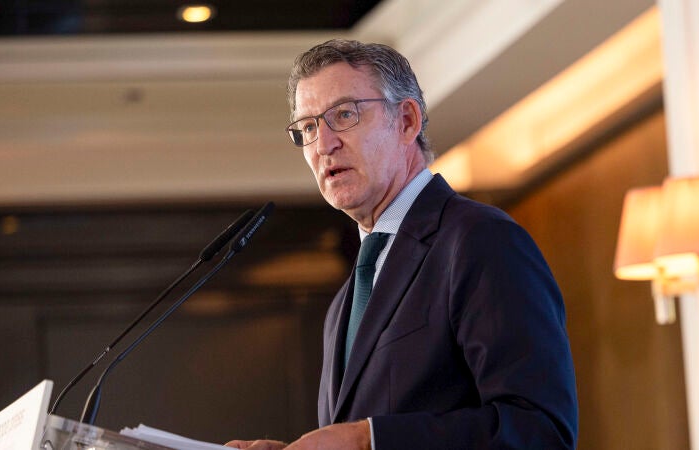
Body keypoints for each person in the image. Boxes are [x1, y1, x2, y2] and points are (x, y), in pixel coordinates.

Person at [226, 39, 577, 450]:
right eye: (308, 127)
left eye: (344, 115)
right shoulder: (342, 304)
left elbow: (540, 431)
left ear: (407, 121)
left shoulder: (480, 240)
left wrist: (368, 440)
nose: (323, 145)